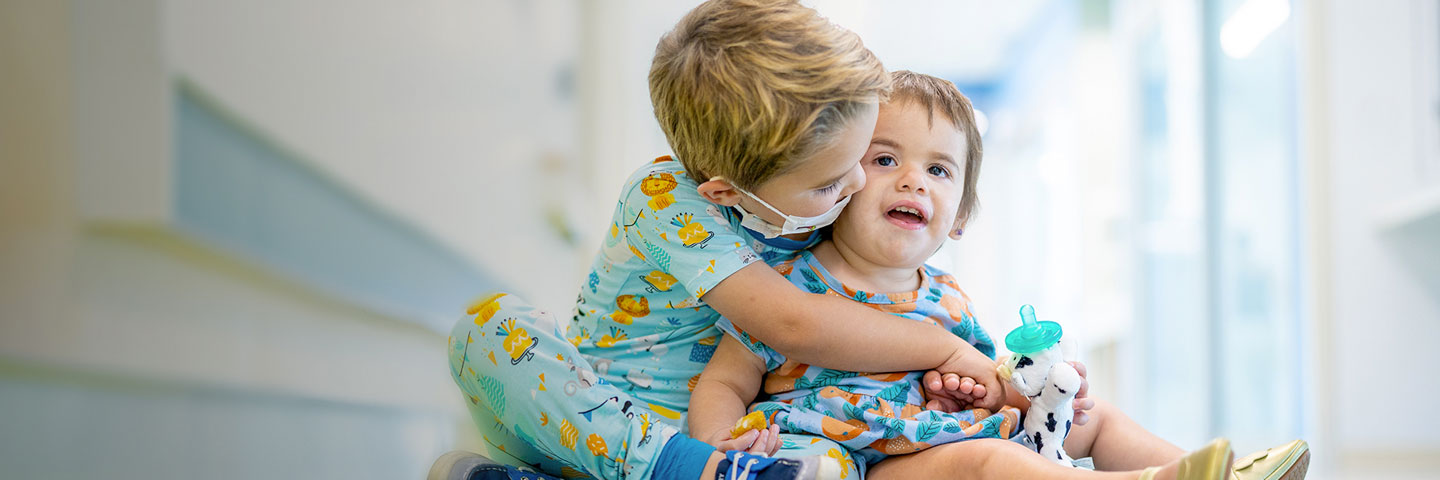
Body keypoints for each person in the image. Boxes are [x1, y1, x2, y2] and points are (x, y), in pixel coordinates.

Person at [439, 2, 1003, 479]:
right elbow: (794, 324)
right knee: (486, 330)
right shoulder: (661, 199)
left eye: (861, 161)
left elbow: (869, 298)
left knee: (828, 463)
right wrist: (940, 348)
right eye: (833, 181)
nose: (856, 185)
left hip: (737, 432)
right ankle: (677, 467)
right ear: (726, 193)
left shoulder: (807, 198)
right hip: (593, 417)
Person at [688, 70, 1310, 480]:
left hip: (959, 430)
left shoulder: (947, 299)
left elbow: (995, 384)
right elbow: (724, 381)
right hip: (877, 460)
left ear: (958, 217)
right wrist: (718, 446)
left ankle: (1206, 474)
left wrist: (1039, 391)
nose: (913, 180)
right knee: (987, 461)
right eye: (884, 159)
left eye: (939, 170)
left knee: (1093, 417)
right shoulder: (790, 283)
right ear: (840, 180)